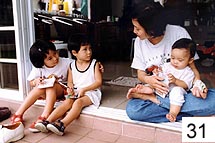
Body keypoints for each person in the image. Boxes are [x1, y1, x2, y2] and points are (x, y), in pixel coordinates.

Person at [126, 0, 215, 123]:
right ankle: (183, 112)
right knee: (133, 110)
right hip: (157, 91)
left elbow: (193, 69)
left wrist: (198, 85)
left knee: (213, 101)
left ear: (151, 29)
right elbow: (141, 74)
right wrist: (148, 80)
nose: (134, 31)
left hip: (182, 92)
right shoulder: (139, 42)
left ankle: (162, 105)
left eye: (137, 28)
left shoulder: (179, 33)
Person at [34, 34, 102, 135]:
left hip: (91, 92)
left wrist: (84, 89)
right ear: (74, 53)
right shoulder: (72, 65)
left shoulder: (95, 64)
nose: (89, 52)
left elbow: (98, 82)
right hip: (77, 91)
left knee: (78, 103)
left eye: (90, 48)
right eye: (85, 49)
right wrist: (70, 89)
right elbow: (70, 82)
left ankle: (62, 124)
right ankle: (47, 121)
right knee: (67, 101)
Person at [127, 38, 198, 122]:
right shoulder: (167, 65)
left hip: (175, 94)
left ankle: (173, 113)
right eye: (172, 58)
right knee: (156, 82)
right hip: (162, 90)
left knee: (177, 91)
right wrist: (157, 73)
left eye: (180, 60)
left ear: (190, 60)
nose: (175, 62)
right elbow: (160, 74)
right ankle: (143, 90)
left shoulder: (188, 72)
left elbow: (186, 85)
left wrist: (175, 81)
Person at [10, 40, 72, 132]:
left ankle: (45, 117)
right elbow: (31, 82)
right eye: (50, 58)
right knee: (38, 88)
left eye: (55, 53)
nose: (55, 58)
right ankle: (18, 114)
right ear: (41, 62)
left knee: (51, 86)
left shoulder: (66, 62)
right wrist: (36, 81)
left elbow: (80, 63)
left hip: (61, 92)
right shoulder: (39, 68)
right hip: (46, 94)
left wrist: (96, 65)